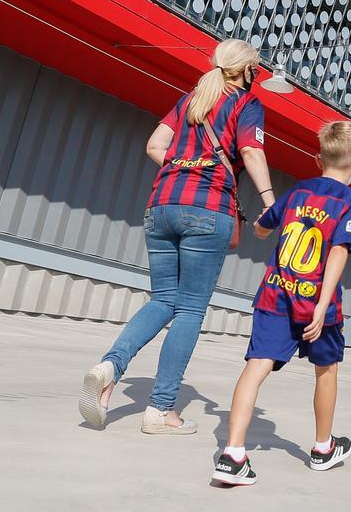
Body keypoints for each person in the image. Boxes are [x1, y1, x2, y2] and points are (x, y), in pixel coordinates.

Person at [78, 39, 274, 433]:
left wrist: (185, 167)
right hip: (206, 209)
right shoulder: (245, 104)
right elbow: (251, 152)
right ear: (246, 70)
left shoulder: (191, 99)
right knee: (189, 309)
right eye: (256, 67)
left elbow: (155, 145)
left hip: (161, 205)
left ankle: (109, 367)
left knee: (163, 299)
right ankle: (160, 411)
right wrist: (270, 201)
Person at [212, 121, 351, 485]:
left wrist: (264, 228)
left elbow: (265, 225)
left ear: (318, 159)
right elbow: (339, 253)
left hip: (276, 295)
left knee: (256, 366)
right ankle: (322, 447)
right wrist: (322, 303)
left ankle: (233, 454)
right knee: (326, 369)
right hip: (317, 303)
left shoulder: (298, 192)